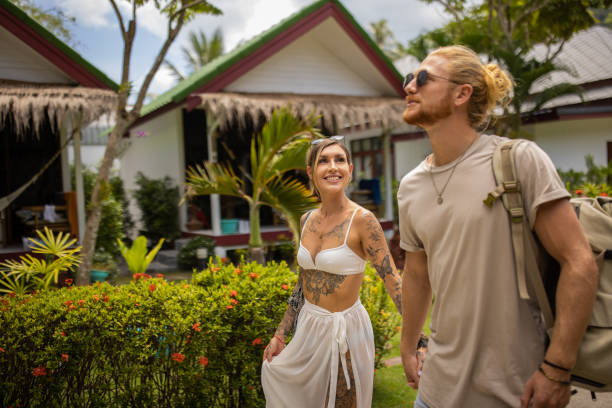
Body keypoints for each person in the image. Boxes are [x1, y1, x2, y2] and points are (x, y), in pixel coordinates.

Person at [397, 45, 599, 408]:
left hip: (515, 393)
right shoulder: (410, 186)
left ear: (462, 93)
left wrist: (557, 369)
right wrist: (409, 344)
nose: (410, 86)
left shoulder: (518, 160)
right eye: (408, 78)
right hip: (433, 394)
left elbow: (579, 262)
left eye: (423, 78)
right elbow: (416, 274)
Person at [261, 136, 402, 408]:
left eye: (339, 160)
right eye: (323, 161)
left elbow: (392, 280)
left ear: (350, 169)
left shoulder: (363, 220)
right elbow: (303, 282)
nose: (332, 167)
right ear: (311, 172)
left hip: (345, 331)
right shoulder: (306, 220)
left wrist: (418, 339)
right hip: (308, 328)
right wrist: (281, 334)